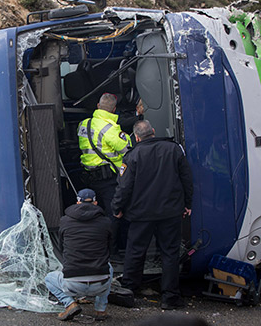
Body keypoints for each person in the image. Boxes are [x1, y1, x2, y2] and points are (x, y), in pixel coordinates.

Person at [112, 120, 193, 310]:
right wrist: (188, 204)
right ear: (153, 132)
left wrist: (117, 208)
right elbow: (187, 179)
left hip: (141, 214)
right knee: (170, 253)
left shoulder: (132, 156)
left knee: (135, 251)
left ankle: (130, 289)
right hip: (170, 212)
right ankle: (170, 297)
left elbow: (124, 187)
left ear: (137, 137)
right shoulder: (174, 150)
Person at [45, 188, 113, 322]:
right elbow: (110, 247)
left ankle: (70, 304)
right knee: (108, 267)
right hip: (100, 282)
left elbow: (62, 246)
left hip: (72, 283)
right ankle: (101, 310)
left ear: (77, 202)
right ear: (95, 203)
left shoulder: (65, 221)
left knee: (49, 278)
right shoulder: (106, 222)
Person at [78, 93, 131, 255]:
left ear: (98, 106)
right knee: (114, 215)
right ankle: (112, 251)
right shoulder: (111, 129)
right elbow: (127, 149)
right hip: (109, 180)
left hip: (89, 178)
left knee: (93, 216)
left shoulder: (83, 124)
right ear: (114, 110)